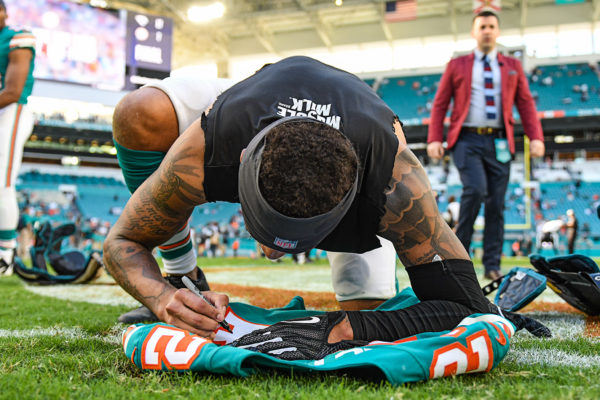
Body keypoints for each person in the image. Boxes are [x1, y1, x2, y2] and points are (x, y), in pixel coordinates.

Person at [104, 56, 548, 347]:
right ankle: (185, 274)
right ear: (240, 165)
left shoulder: (393, 185)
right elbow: (121, 241)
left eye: (290, 245)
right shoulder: (211, 142)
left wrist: (350, 327)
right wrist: (164, 297)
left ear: (357, 200)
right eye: (268, 235)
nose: (274, 255)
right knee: (140, 112)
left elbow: (465, 305)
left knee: (365, 306)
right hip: (246, 93)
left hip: (354, 131)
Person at [427, 11, 545, 281]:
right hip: (466, 140)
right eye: (482, 27)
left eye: (492, 26)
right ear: (474, 32)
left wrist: (535, 136)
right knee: (475, 190)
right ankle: (459, 258)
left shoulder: (512, 65)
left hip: (500, 141)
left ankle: (492, 264)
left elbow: (525, 103)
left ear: (498, 31)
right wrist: (435, 138)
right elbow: (440, 103)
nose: (487, 31)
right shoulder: (457, 65)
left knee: (496, 204)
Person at [0, 0, 35, 275]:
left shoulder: (17, 38)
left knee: (2, 181)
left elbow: (12, 91)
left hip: (12, 109)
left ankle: (6, 255)